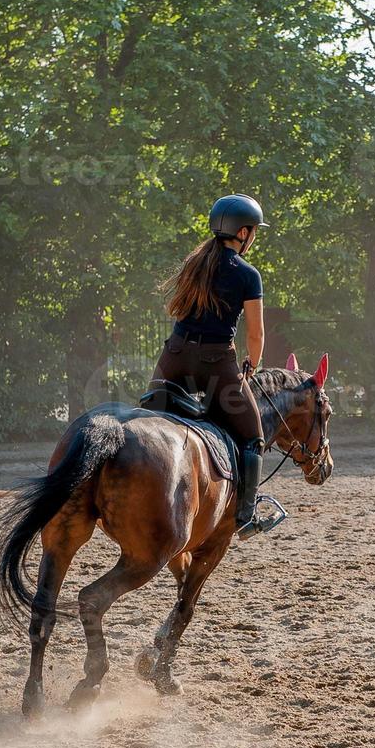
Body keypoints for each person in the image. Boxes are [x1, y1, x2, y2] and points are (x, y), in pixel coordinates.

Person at [154, 193, 270, 539]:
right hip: (215, 367)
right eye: (255, 232)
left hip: (172, 361)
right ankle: (246, 517)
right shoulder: (248, 275)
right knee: (254, 438)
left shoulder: (195, 262)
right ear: (245, 233)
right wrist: (253, 362)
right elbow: (256, 333)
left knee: (146, 417)